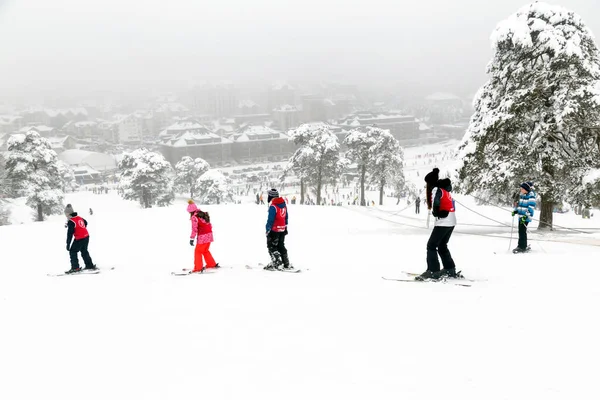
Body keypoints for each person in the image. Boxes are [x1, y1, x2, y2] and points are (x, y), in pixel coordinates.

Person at [416, 168, 458, 281]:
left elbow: (436, 202)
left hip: (443, 221)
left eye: (427, 183)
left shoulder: (436, 189)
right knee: (442, 245)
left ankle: (433, 271)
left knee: (431, 245)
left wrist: (436, 212)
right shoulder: (445, 190)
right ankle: (450, 269)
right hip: (451, 220)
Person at [187, 200, 219, 273]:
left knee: (197, 251)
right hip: (209, 235)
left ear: (190, 211)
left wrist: (192, 238)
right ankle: (211, 264)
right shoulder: (202, 214)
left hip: (202, 236)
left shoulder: (194, 217)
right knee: (205, 250)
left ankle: (198, 268)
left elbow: (194, 229)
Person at [65, 204, 96, 274]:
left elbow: (69, 234)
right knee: (84, 251)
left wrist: (68, 244)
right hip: (86, 236)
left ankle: (75, 268)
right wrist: (80, 228)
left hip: (80, 238)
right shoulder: (79, 217)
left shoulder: (71, 221)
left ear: (69, 213)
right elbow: (85, 222)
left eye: (66, 213)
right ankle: (89, 265)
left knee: (72, 251)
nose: (65, 215)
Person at [264, 188, 291, 270]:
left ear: (271, 196)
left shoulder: (273, 206)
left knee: (271, 246)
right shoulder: (283, 204)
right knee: (281, 245)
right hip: (282, 229)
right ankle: (286, 263)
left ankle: (277, 263)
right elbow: (286, 216)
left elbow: (270, 219)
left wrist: (268, 229)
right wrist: (285, 226)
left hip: (274, 230)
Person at [512, 182, 536, 253]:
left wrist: (526, 216)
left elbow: (531, 207)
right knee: (521, 231)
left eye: (522, 188)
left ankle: (522, 247)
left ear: (526, 189)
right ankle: (521, 245)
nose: (521, 190)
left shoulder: (531, 196)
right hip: (520, 216)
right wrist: (516, 211)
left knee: (522, 231)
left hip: (525, 217)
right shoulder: (522, 196)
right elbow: (520, 205)